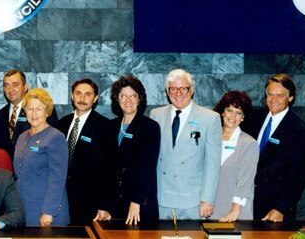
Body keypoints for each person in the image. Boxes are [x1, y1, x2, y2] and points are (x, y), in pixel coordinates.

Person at [149, 68, 221, 219]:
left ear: (192, 90)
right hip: (161, 198)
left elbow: (212, 163)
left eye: (183, 88)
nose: (178, 93)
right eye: (173, 89)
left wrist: (207, 199)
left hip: (192, 202)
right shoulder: (156, 115)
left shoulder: (210, 118)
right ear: (167, 92)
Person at [241, 74, 305, 222]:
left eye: (280, 95)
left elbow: (297, 176)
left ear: (290, 97)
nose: (274, 100)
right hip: (245, 203)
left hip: (274, 210)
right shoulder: (254, 118)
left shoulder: (299, 130)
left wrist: (281, 208)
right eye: (270, 94)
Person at [56, 78, 115, 225]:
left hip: (90, 203)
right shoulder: (62, 123)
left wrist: (104, 205)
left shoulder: (105, 126)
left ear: (95, 98)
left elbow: (110, 169)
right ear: (72, 96)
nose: (82, 99)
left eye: (87, 94)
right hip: (62, 198)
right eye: (78, 93)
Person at [109, 75, 160, 225]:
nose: (128, 100)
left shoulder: (150, 127)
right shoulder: (110, 126)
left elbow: (147, 168)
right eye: (123, 96)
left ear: (140, 99)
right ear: (117, 99)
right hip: (114, 203)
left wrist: (136, 201)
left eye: (133, 96)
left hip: (139, 204)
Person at [16, 88, 69, 226]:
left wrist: (49, 211)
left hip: (46, 211)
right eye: (30, 108)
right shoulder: (22, 137)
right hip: (24, 207)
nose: (34, 113)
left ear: (47, 112)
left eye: (39, 108)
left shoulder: (56, 137)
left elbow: (57, 179)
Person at [211, 90, 258, 222]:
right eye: (229, 110)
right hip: (209, 209)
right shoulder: (210, 137)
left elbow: (245, 183)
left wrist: (233, 212)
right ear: (222, 112)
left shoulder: (249, 144)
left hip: (235, 213)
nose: (233, 116)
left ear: (243, 117)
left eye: (238, 113)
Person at [0, 69, 58, 146]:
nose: (10, 89)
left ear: (25, 87)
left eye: (15, 84)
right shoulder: (1, 113)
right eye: (6, 85)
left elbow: (51, 138)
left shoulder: (43, 109)